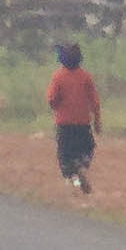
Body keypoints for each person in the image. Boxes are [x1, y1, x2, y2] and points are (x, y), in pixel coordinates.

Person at [46, 41, 101, 193]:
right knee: (86, 149)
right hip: (83, 123)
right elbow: (95, 102)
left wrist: (57, 106)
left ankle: (75, 181)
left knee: (66, 157)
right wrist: (97, 121)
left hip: (64, 124)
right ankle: (82, 167)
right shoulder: (85, 77)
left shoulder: (58, 77)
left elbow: (51, 99)